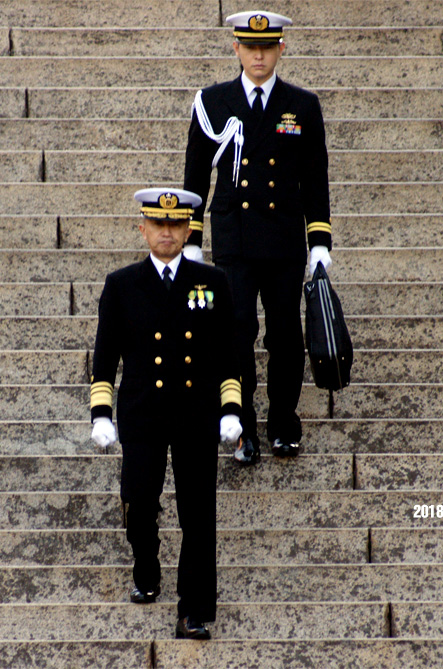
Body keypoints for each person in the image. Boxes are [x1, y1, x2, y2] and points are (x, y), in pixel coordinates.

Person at [89, 187, 243, 640]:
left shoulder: (212, 282)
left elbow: (229, 355)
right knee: (138, 500)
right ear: (143, 229)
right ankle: (147, 561)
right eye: (159, 224)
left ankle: (193, 610)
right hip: (143, 414)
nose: (168, 232)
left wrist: (231, 407)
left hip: (195, 413)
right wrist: (101, 413)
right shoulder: (121, 285)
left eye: (177, 225)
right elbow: (104, 357)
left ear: (190, 229)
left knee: (198, 515)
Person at [183, 10, 333, 464]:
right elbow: (194, 175)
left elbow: (315, 180)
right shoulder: (213, 102)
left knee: (286, 336)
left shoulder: (302, 106)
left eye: (267, 47)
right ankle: (243, 426)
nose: (259, 55)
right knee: (237, 332)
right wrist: (192, 239)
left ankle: (284, 423)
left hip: (285, 240)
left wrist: (320, 243)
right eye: (250, 47)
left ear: (281, 49)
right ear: (236, 49)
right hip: (235, 239)